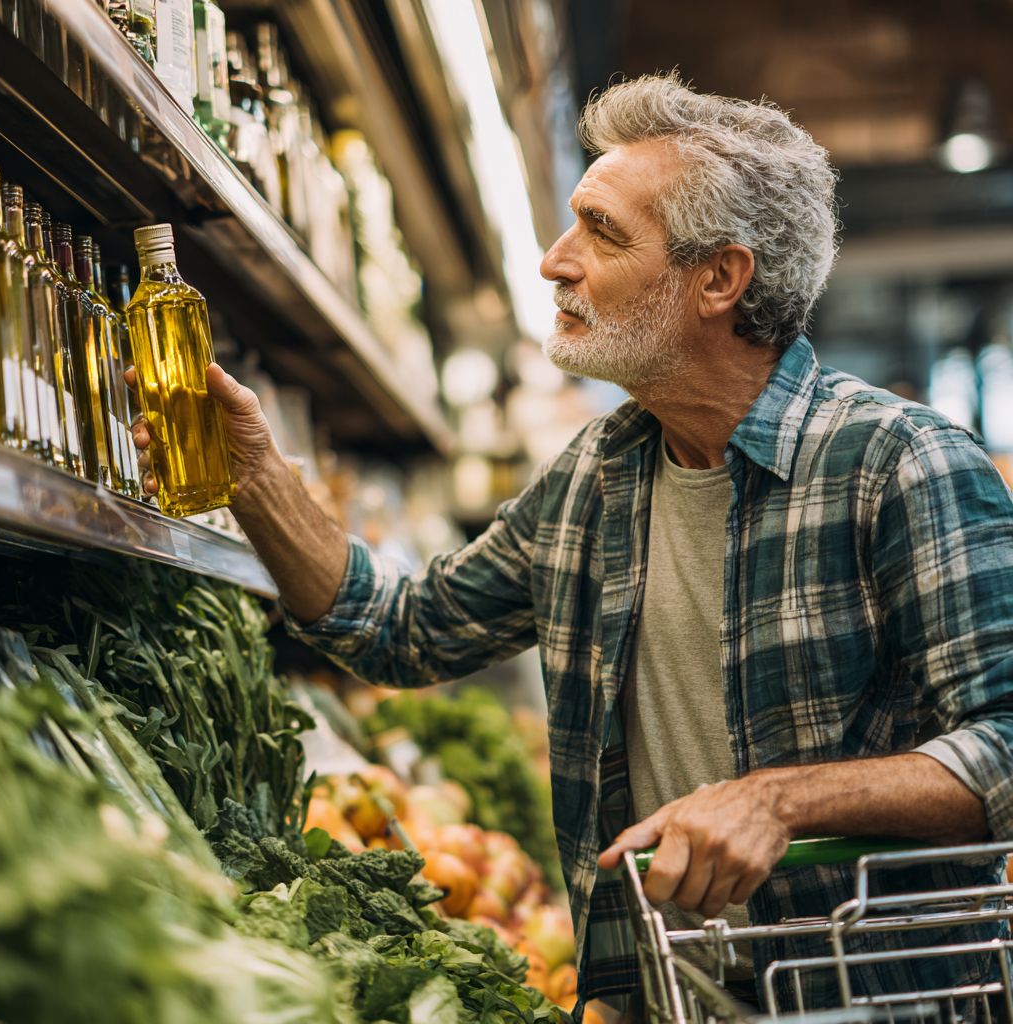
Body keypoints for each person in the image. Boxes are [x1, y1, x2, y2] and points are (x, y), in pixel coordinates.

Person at [129, 73, 1013, 1019]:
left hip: (866, 1000)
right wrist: (255, 475)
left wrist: (781, 801)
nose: (555, 262)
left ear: (719, 278)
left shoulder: (897, 463)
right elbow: (400, 629)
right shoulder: (599, 473)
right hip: (667, 997)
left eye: (602, 231)